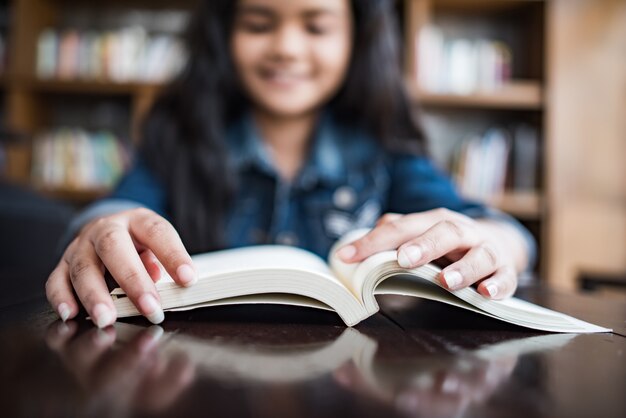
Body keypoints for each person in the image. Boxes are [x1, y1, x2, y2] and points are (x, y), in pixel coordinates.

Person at [45, 0, 534, 328]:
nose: (286, 48)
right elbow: (118, 211)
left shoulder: (385, 148)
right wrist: (102, 231)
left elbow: (493, 229)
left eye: (316, 26)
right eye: (259, 24)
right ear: (225, 34)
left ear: (355, 39)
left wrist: (494, 244)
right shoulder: (180, 137)